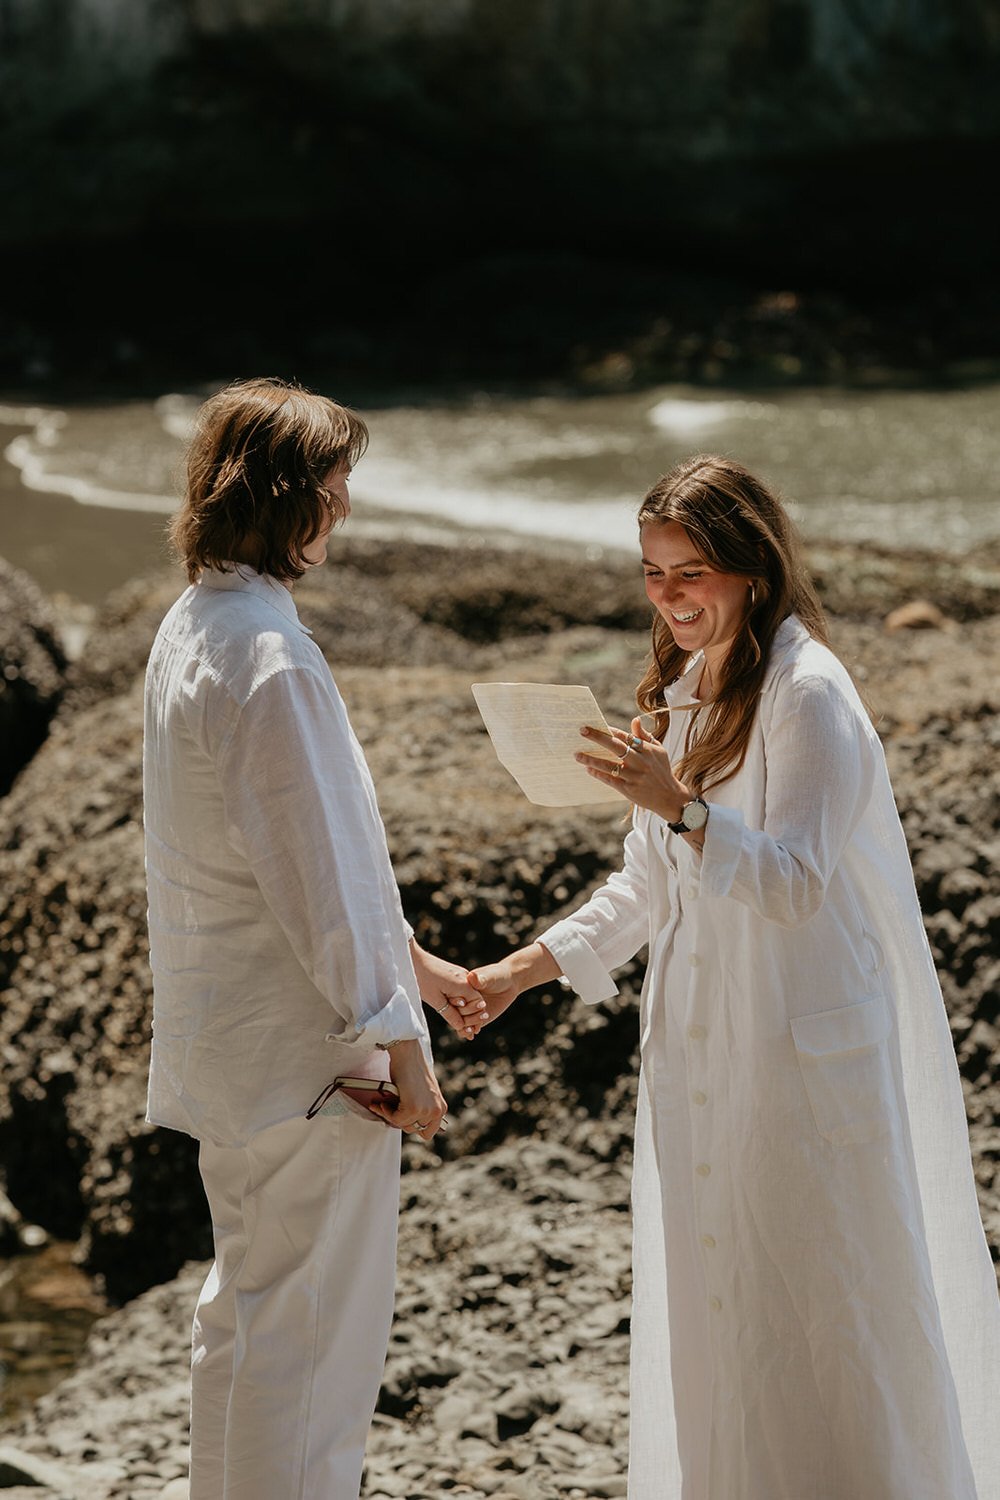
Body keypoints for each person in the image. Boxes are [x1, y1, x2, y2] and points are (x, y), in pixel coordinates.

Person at [461, 455, 1000, 1500]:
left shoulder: (811, 691)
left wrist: (681, 805)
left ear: (751, 570)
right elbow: (645, 887)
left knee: (830, 1320)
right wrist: (518, 972)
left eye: (691, 572)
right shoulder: (679, 691)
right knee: (724, 1316)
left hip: (802, 1066)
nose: (669, 597)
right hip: (702, 1057)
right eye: (654, 573)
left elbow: (794, 879)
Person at [142, 377, 483, 1500]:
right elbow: (320, 884)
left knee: (244, 1323)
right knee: (313, 1353)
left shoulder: (196, 626)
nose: (343, 503)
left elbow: (281, 858)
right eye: (331, 481)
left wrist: (415, 966)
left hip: (229, 1046)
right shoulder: (270, 659)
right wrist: (407, 1050)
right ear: (285, 495)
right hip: (310, 1060)